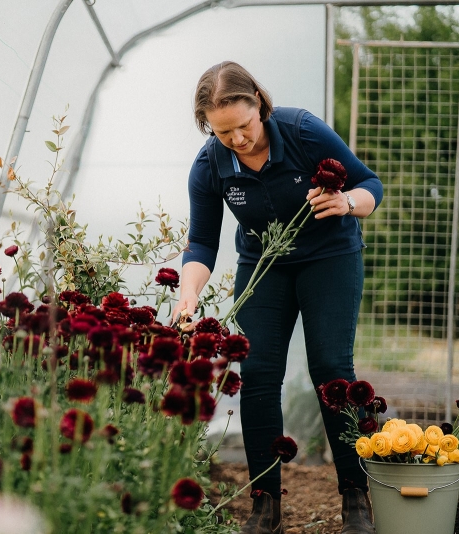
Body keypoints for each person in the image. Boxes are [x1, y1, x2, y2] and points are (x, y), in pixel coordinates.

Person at [173, 62, 383, 534]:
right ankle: (265, 504)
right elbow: (202, 243)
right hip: (263, 266)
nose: (238, 140)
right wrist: (188, 296)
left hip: (330, 257)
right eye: (223, 132)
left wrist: (348, 202)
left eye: (244, 126)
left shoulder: (303, 130)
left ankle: (356, 495)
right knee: (260, 373)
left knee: (331, 366)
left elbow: (371, 185)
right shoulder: (209, 165)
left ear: (260, 105)